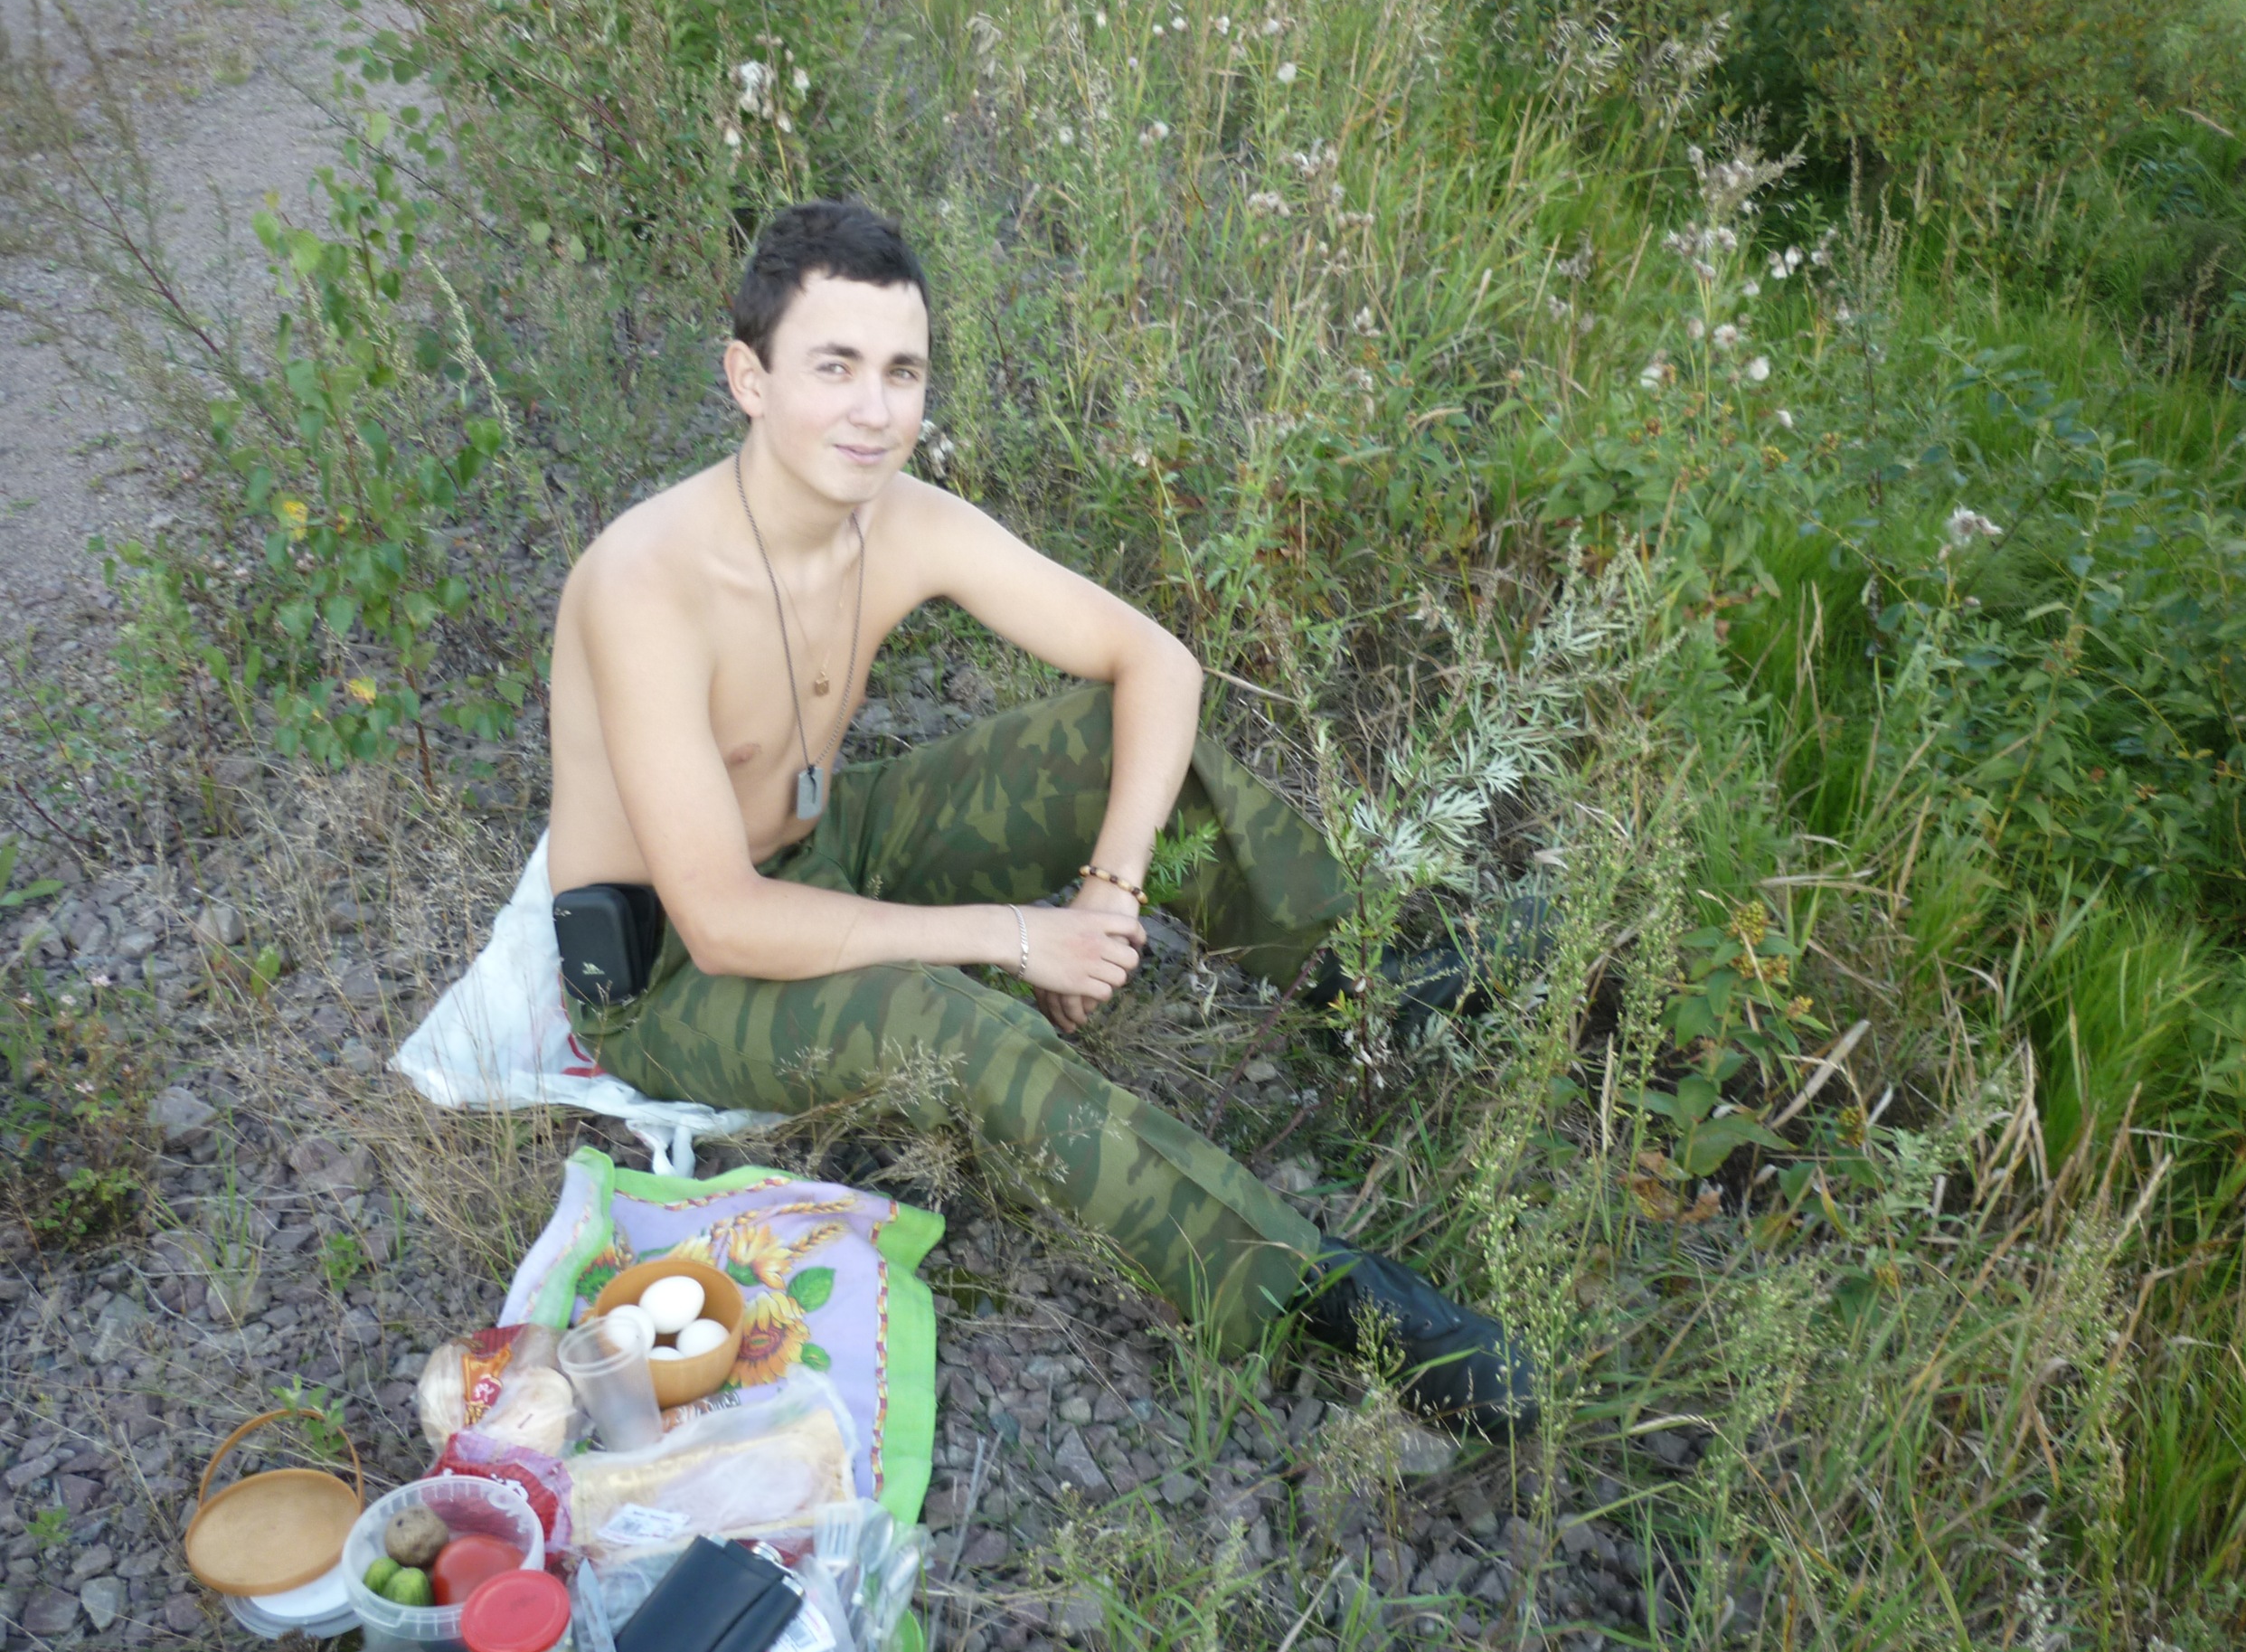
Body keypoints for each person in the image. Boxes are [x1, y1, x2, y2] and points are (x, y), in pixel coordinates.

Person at [546, 199, 1538, 1437]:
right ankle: (1311, 1289)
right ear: (749, 379)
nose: (874, 410)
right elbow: (727, 921)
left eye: (903, 371)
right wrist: (1020, 939)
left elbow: (1155, 662)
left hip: (828, 847)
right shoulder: (648, 584)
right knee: (942, 1018)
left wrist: (1108, 893)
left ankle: (1372, 993)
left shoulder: (897, 519)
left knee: (1106, 744)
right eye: (834, 367)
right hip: (674, 974)